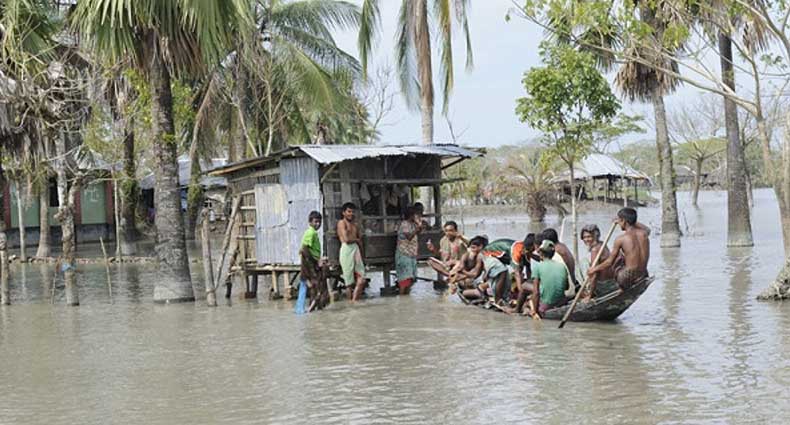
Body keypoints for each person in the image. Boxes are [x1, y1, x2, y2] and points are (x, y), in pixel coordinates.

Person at [588, 208, 650, 290]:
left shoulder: (621, 239)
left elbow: (609, 262)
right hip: (643, 274)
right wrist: (631, 221)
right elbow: (647, 229)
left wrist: (594, 269)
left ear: (623, 221)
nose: (619, 224)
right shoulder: (644, 234)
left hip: (626, 278)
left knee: (618, 257)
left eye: (619, 221)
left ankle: (611, 286)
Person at [529, 240, 569, 318]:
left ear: (541, 253)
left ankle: (517, 309)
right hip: (562, 302)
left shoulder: (538, 267)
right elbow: (566, 287)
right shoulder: (562, 266)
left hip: (547, 305)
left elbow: (536, 292)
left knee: (525, 288)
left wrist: (535, 311)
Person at [337, 202, 366, 302]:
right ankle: (351, 304)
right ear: (343, 212)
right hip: (346, 249)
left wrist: (362, 255)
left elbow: (360, 240)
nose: (351, 214)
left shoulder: (355, 225)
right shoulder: (341, 223)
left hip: (356, 249)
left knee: (362, 278)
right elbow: (346, 239)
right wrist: (357, 240)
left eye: (352, 212)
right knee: (348, 282)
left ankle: (354, 301)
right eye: (349, 211)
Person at [298, 211, 327, 312]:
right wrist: (316, 261)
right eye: (315, 222)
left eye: (319, 222)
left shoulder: (313, 233)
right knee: (317, 285)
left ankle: (314, 309)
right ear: (310, 222)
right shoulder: (311, 232)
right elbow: (304, 248)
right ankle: (311, 309)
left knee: (315, 285)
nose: (318, 224)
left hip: (311, 261)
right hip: (309, 262)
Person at [579, 224, 616, 300]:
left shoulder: (595, 250)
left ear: (595, 236)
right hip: (611, 282)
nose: (586, 239)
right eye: (584, 237)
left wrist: (590, 295)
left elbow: (594, 275)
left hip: (603, 286)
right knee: (584, 262)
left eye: (589, 237)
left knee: (582, 265)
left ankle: (588, 291)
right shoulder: (602, 244)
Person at [395, 206, 425, 295]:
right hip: (404, 253)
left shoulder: (412, 224)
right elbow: (409, 237)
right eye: (415, 215)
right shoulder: (404, 224)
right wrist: (417, 228)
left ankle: (406, 299)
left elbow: (418, 232)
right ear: (411, 215)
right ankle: (402, 299)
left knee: (411, 279)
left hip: (411, 254)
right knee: (404, 280)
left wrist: (419, 226)